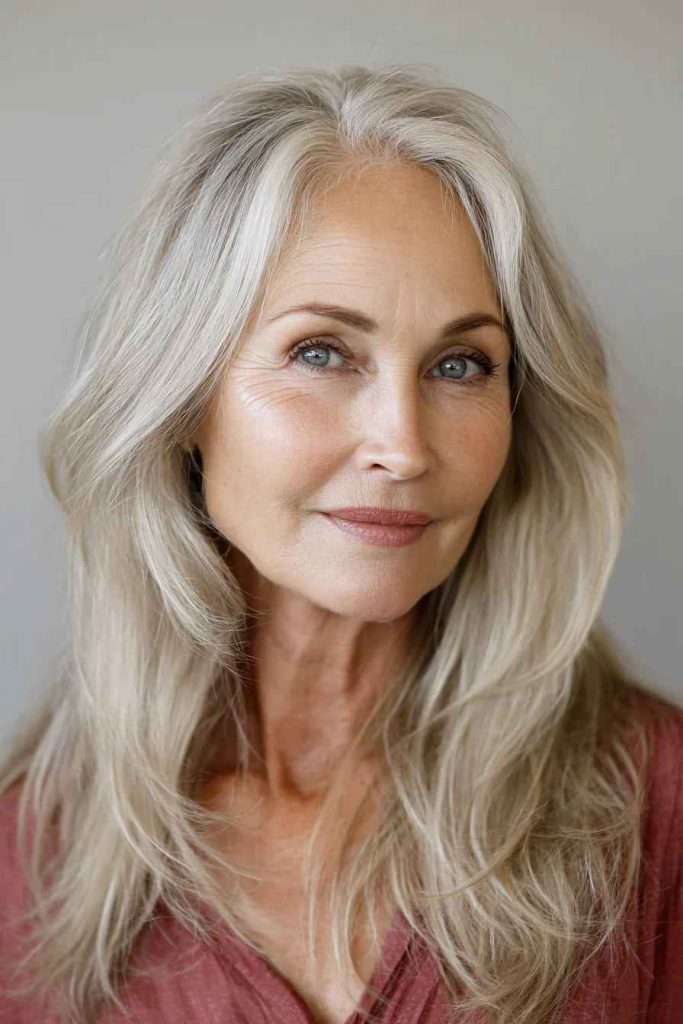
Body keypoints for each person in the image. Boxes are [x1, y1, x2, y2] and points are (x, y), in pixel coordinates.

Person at [0, 63, 681, 1024]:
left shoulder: (656, 803)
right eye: (321, 352)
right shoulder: (32, 853)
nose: (403, 446)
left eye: (460, 364)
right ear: (184, 397)